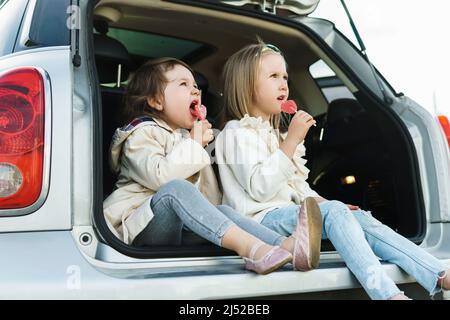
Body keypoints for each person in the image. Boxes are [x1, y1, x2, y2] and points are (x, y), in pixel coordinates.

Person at [215, 42, 449, 298]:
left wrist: (326, 203)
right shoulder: (235, 133)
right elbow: (260, 189)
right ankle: (388, 295)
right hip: (259, 219)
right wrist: (291, 142)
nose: (284, 84)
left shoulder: (274, 136)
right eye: (273, 76)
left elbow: (297, 187)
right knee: (335, 212)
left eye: (285, 77)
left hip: (288, 214)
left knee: (357, 216)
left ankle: (437, 273)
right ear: (246, 86)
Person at [103, 57, 302, 275]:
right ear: (156, 101)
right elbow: (161, 177)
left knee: (223, 210)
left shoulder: (190, 140)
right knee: (175, 190)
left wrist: (195, 144)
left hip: (180, 229)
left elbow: (208, 198)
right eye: (183, 84)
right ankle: (251, 249)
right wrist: (194, 144)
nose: (195, 91)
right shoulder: (141, 133)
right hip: (140, 224)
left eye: (196, 86)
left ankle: (286, 246)